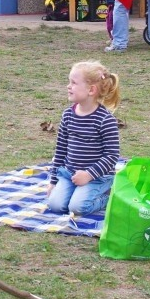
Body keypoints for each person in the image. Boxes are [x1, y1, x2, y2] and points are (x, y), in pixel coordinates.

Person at [45, 61, 121, 216]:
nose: (68, 86)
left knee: (78, 208)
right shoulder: (67, 115)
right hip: (69, 175)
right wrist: (53, 182)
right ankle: (75, 192)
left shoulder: (105, 120)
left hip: (97, 177)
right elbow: (61, 150)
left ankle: (109, 195)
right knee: (55, 205)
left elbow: (112, 156)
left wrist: (89, 175)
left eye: (73, 83)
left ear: (91, 90)